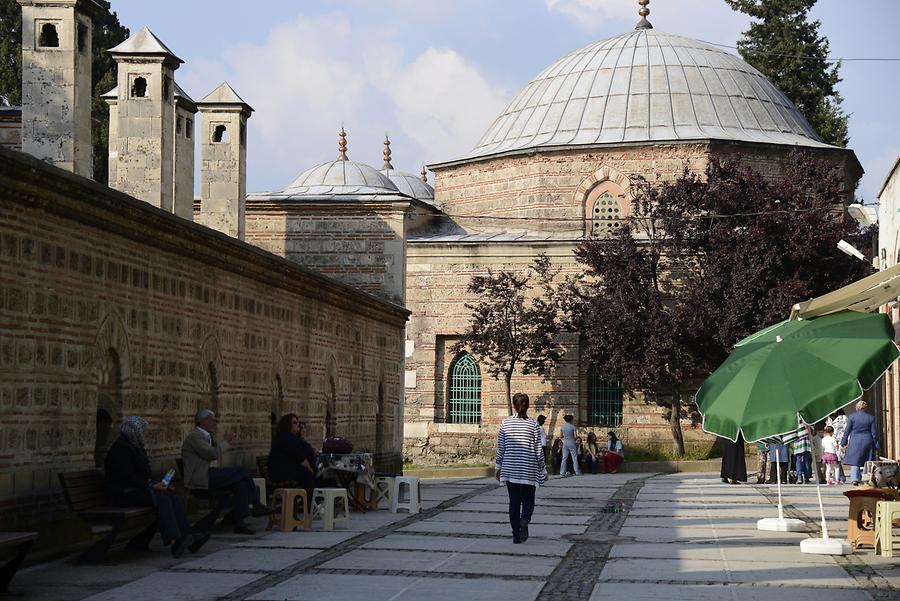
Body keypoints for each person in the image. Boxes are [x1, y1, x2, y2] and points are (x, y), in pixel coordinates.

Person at [104, 417, 207, 557]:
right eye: (141, 431)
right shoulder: (121, 450)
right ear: (133, 431)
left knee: (174, 498)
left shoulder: (135, 446)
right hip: (123, 494)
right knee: (163, 500)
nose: (143, 434)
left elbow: (144, 474)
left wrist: (159, 484)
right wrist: (151, 486)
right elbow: (127, 478)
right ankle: (175, 541)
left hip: (137, 490)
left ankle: (188, 537)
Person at [181, 409, 270, 534]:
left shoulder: (207, 436)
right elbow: (212, 454)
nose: (215, 423)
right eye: (212, 420)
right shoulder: (195, 436)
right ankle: (256, 504)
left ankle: (240, 523)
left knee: (241, 484)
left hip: (212, 475)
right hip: (202, 479)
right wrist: (226, 442)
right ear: (203, 421)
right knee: (242, 471)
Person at [495, 392, 547, 544]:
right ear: (528, 406)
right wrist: (543, 469)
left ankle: (516, 535)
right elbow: (538, 450)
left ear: (513, 405)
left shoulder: (505, 423)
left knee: (514, 502)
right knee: (529, 500)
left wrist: (498, 466)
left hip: (510, 469)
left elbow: (501, 447)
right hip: (528, 469)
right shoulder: (533, 425)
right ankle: (524, 521)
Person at [268, 414, 316, 510]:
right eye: (294, 423)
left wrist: (301, 436)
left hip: (288, 470)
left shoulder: (293, 438)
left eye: (298, 422)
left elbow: (308, 450)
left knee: (314, 474)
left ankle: (314, 502)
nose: (297, 425)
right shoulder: (285, 438)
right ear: (287, 425)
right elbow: (301, 456)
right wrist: (309, 468)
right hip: (280, 473)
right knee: (307, 474)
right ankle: (310, 507)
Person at [840, 400, 879, 485]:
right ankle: (867, 478)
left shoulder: (852, 417)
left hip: (855, 440)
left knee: (855, 460)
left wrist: (843, 441)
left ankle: (855, 478)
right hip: (867, 440)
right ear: (865, 408)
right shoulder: (871, 418)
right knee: (867, 460)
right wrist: (876, 444)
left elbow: (847, 431)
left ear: (857, 408)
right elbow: (874, 433)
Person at [827, 409, 848, 483]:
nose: (833, 410)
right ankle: (839, 477)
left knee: (837, 459)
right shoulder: (829, 418)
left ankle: (840, 477)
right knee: (835, 459)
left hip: (840, 440)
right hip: (831, 441)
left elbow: (847, 430)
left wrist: (846, 441)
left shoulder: (843, 418)